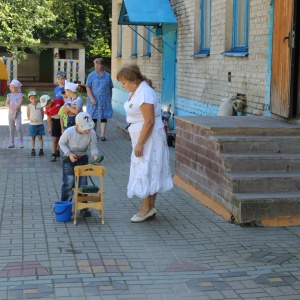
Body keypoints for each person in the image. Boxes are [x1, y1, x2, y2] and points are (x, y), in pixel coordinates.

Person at [116, 63, 173, 223]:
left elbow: (149, 121)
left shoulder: (145, 93)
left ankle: (145, 208)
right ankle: (150, 208)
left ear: (132, 80)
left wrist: (140, 144)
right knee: (148, 169)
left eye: (124, 82)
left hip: (149, 139)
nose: (122, 85)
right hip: (142, 137)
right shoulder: (137, 91)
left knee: (146, 170)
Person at [59, 112, 100, 217]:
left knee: (83, 185)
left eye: (89, 127)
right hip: (69, 160)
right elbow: (61, 143)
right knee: (69, 183)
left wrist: (95, 157)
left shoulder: (92, 133)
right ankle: (66, 207)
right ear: (77, 125)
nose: (87, 130)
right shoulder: (69, 132)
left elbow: (93, 147)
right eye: (84, 128)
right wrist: (68, 153)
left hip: (82, 159)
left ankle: (83, 208)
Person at [86, 58, 113, 141]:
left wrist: (110, 99)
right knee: (93, 117)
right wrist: (92, 98)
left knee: (103, 116)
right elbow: (88, 87)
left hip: (104, 101)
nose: (96, 66)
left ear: (102, 65)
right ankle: (94, 135)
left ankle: (102, 135)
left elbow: (110, 88)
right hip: (93, 100)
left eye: (98, 64)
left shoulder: (107, 76)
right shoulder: (91, 75)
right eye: (95, 64)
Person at [40, 95, 64, 162]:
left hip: (63, 120)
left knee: (61, 138)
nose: (46, 106)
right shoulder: (47, 108)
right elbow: (49, 117)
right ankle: (53, 154)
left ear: (50, 100)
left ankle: (58, 150)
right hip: (55, 122)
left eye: (46, 104)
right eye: (44, 105)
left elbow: (65, 106)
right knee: (54, 139)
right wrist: (49, 127)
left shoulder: (58, 101)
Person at [5, 79, 24, 148]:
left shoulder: (21, 95)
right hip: (10, 113)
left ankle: (21, 142)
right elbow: (6, 104)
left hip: (17, 114)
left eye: (12, 87)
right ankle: (12, 142)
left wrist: (15, 113)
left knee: (18, 128)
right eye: (10, 87)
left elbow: (19, 105)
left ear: (17, 87)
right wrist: (12, 106)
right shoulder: (9, 95)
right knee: (11, 128)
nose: (10, 88)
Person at [26, 91, 45, 156]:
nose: (33, 99)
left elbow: (42, 113)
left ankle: (41, 149)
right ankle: (33, 149)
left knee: (40, 137)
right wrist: (30, 119)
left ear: (37, 97)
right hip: (32, 125)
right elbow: (28, 114)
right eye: (32, 98)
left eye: (35, 98)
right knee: (33, 137)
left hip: (40, 124)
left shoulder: (40, 105)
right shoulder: (29, 106)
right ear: (29, 99)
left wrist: (41, 120)